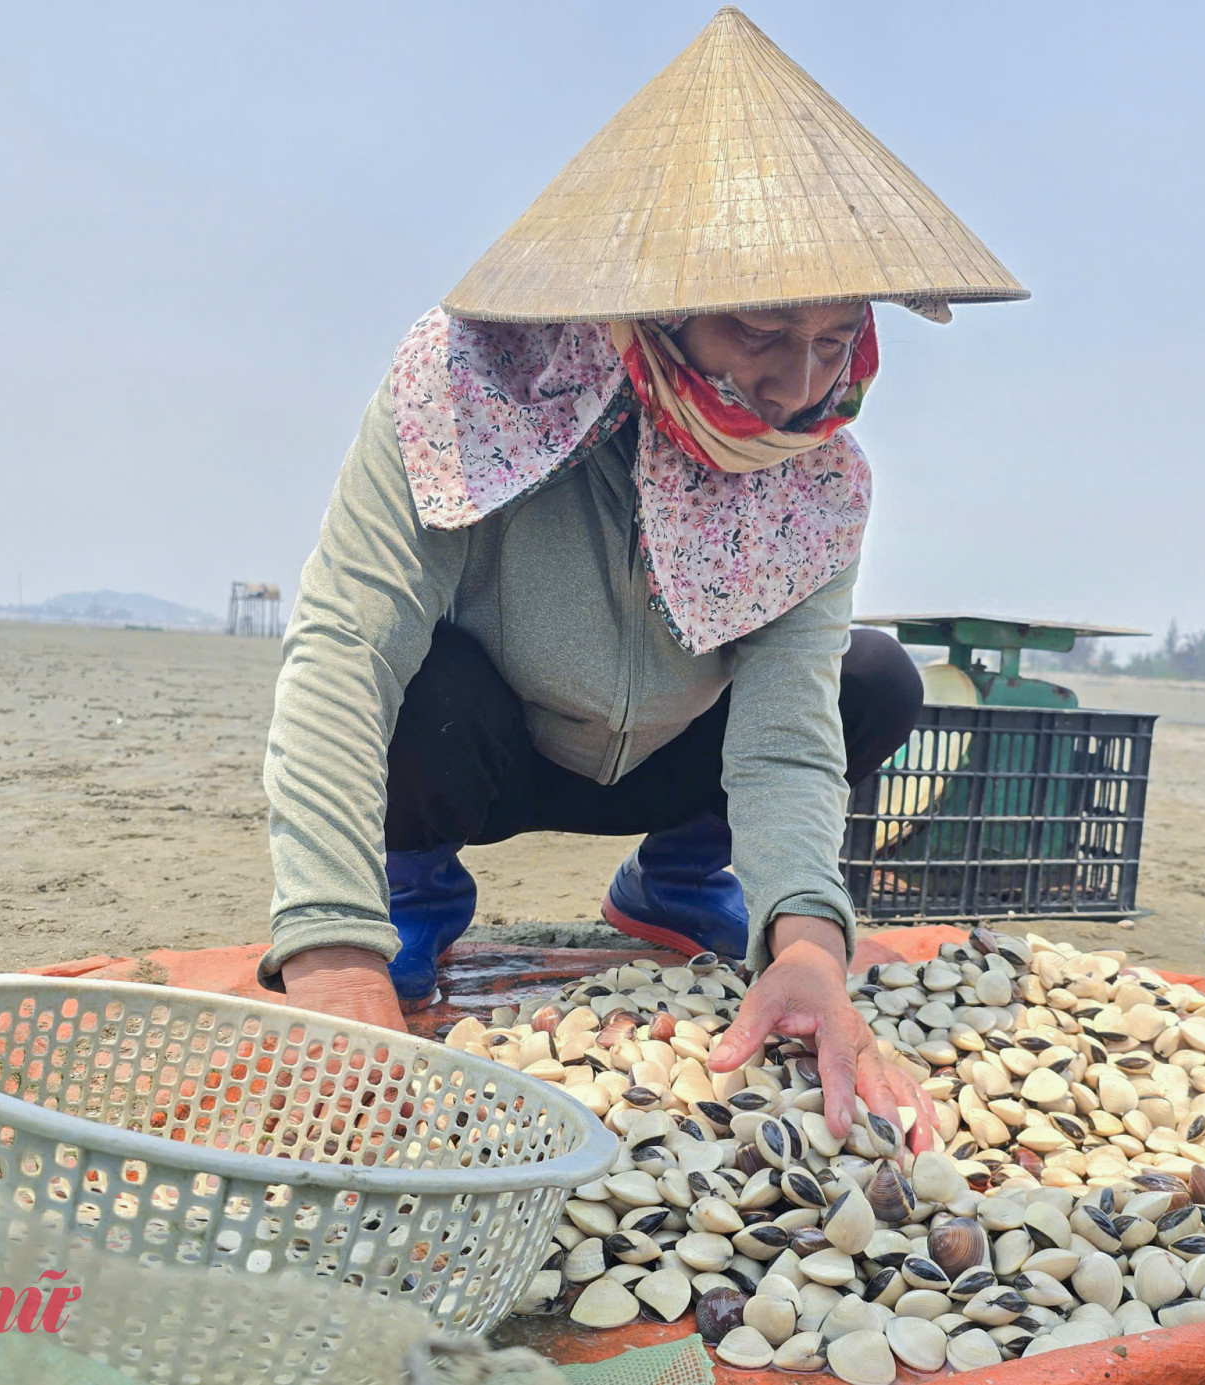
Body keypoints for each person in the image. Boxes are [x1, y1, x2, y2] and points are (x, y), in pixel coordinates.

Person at [257, 7, 1026, 1150]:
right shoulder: (461, 397)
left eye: (831, 341)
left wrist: (808, 947)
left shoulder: (813, 478)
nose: (792, 386)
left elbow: (783, 737)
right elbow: (339, 653)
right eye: (759, 328)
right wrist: (330, 949)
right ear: (648, 313)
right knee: (411, 679)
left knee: (870, 677)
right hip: (490, 749)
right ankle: (409, 892)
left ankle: (675, 879)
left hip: (675, 754)